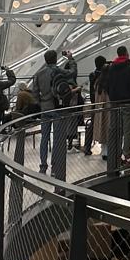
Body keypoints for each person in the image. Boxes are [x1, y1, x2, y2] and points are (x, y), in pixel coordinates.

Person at [31, 49, 76, 177]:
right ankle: (55, 167)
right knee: (57, 139)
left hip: (45, 109)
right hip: (57, 108)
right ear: (55, 59)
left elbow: (35, 92)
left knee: (44, 138)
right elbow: (72, 73)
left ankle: (42, 166)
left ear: (45, 60)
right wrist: (71, 60)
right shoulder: (58, 71)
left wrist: (40, 104)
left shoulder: (39, 74)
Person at [103, 45, 130, 165]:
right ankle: (127, 157)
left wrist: (112, 98)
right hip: (129, 103)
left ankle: (116, 155)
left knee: (116, 130)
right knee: (127, 130)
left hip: (115, 104)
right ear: (126, 53)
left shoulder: (112, 67)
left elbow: (108, 85)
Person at [85, 55, 107, 156]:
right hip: (102, 103)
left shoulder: (92, 75)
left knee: (92, 125)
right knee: (103, 124)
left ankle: (87, 146)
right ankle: (104, 147)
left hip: (94, 103)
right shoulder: (104, 76)